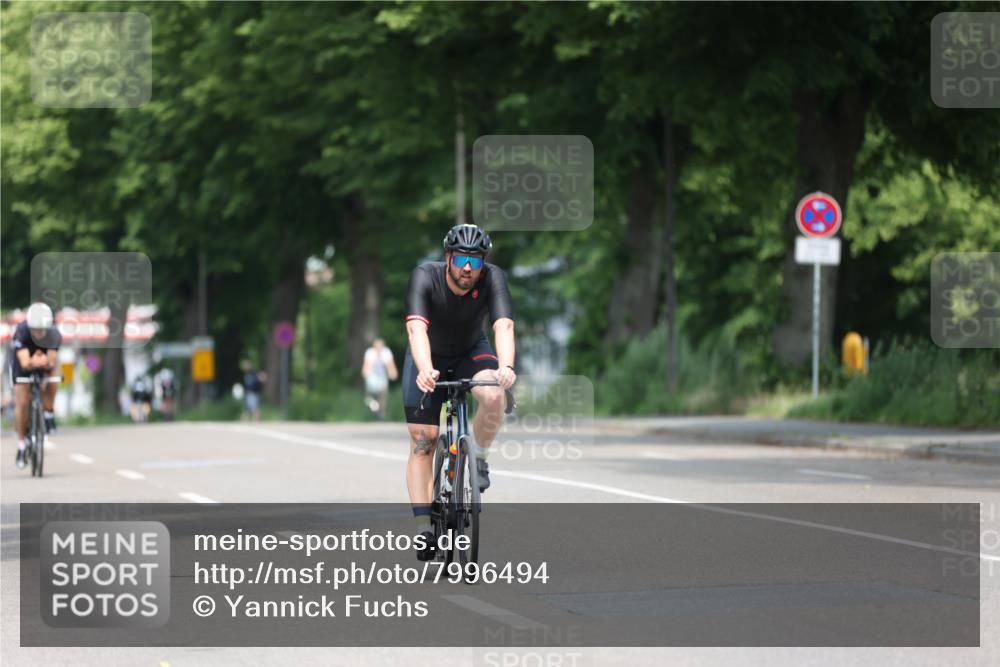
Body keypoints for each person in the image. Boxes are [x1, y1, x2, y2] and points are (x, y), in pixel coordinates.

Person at [403, 223, 516, 560]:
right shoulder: (424, 277)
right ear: (448, 257)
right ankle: (424, 527)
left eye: (476, 262)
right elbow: (415, 328)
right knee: (424, 439)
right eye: (462, 260)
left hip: (471, 351)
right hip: (429, 356)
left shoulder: (493, 279)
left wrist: (506, 367)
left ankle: (477, 456)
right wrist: (425, 369)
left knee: (494, 394)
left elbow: (503, 326)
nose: (468, 268)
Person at [10, 303, 61, 468]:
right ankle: (22, 445)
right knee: (22, 401)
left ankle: (48, 412)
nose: (39, 333)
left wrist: (45, 364)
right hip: (23, 364)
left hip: (43, 362)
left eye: (42, 330)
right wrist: (35, 361)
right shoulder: (22, 331)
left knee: (55, 377)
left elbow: (51, 362)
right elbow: (25, 363)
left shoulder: (53, 334)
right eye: (35, 329)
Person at [361, 338, 398, 420]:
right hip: (372, 376)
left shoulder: (386, 352)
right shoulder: (370, 353)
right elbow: (367, 365)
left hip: (382, 376)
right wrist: (365, 373)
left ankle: (381, 414)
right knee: (369, 395)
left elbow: (390, 365)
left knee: (383, 394)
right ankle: (373, 405)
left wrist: (393, 373)